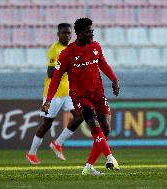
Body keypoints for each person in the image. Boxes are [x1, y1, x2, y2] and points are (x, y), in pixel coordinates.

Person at [42, 18, 120, 175]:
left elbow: (102, 63)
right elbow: (56, 78)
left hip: (98, 92)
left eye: (92, 31)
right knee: (93, 123)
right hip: (80, 96)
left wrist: (114, 79)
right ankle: (110, 157)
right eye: (88, 32)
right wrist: (49, 100)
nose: (91, 34)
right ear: (78, 34)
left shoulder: (95, 46)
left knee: (106, 128)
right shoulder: (67, 53)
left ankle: (88, 167)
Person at [26, 23, 83, 164]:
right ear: (58, 34)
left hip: (68, 92)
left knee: (80, 115)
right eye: (64, 33)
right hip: (53, 93)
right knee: (47, 124)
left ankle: (58, 143)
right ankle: (31, 153)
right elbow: (50, 73)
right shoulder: (55, 49)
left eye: (69, 33)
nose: (67, 35)